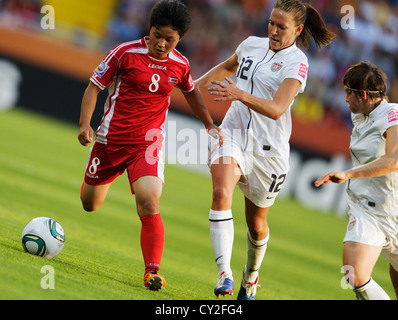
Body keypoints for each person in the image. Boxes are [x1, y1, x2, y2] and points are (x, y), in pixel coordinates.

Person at [78, 0, 222, 292]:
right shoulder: (125, 53)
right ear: (150, 29)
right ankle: (100, 180)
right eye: (157, 35)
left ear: (179, 39)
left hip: (148, 144)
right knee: (89, 204)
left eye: (169, 39)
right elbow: (94, 86)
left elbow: (192, 93)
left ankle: (151, 272)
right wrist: (85, 124)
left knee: (149, 201)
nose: (161, 43)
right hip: (110, 141)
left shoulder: (180, 64)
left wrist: (209, 123)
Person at [195, 0, 335, 300]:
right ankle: (224, 274)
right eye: (271, 23)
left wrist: (238, 93)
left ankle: (251, 276)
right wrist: (192, 85)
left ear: (297, 30)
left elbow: (277, 109)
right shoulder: (250, 44)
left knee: (256, 225)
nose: (272, 30)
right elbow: (228, 67)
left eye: (280, 27)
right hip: (232, 133)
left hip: (268, 152)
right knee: (221, 193)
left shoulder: (297, 63)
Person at [315, 61, 398, 300]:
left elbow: (393, 160)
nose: (345, 99)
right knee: (354, 275)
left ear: (362, 94)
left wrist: (348, 174)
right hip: (367, 212)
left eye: (347, 92)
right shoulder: (361, 118)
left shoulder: (392, 114)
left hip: (394, 210)